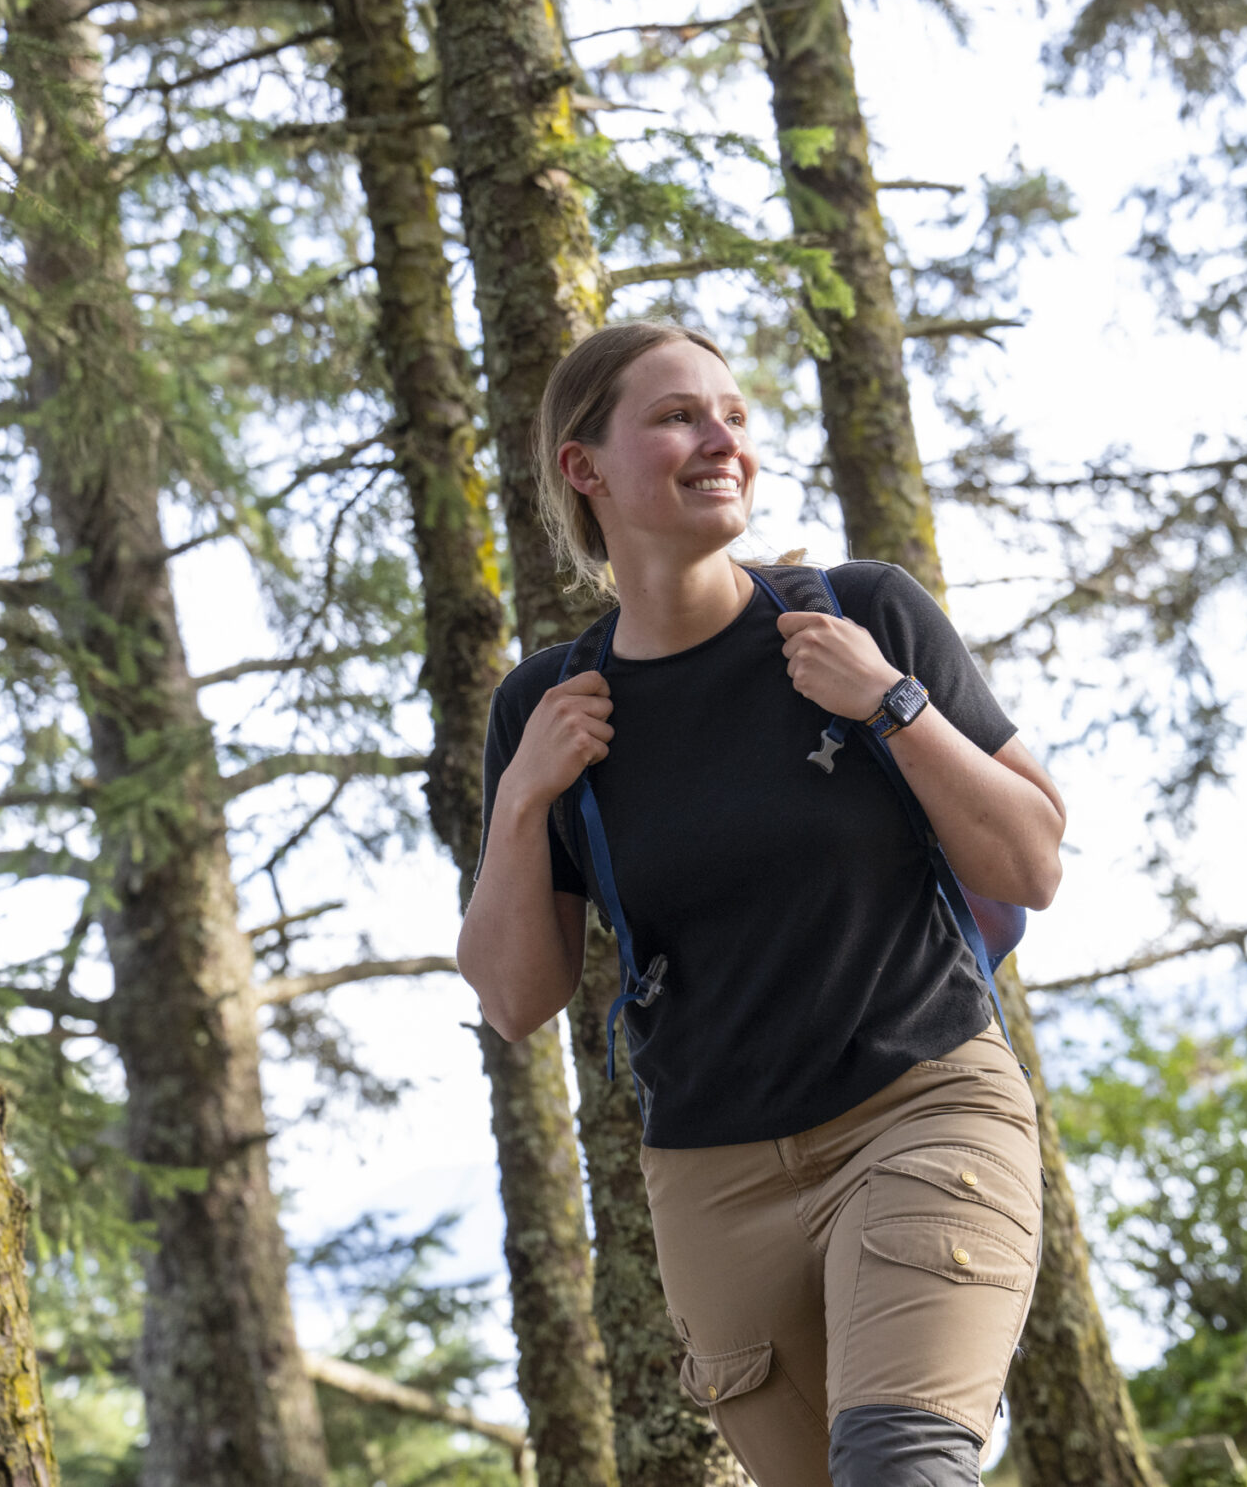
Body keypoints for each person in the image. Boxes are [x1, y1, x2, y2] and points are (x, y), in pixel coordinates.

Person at [457, 321, 1068, 1487]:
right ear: (584, 467)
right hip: (713, 1184)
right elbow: (513, 996)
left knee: (901, 1465)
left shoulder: (862, 613)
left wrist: (889, 703)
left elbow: (1031, 861)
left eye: (733, 416)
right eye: (678, 416)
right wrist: (524, 799)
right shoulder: (547, 705)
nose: (720, 440)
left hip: (920, 1111)